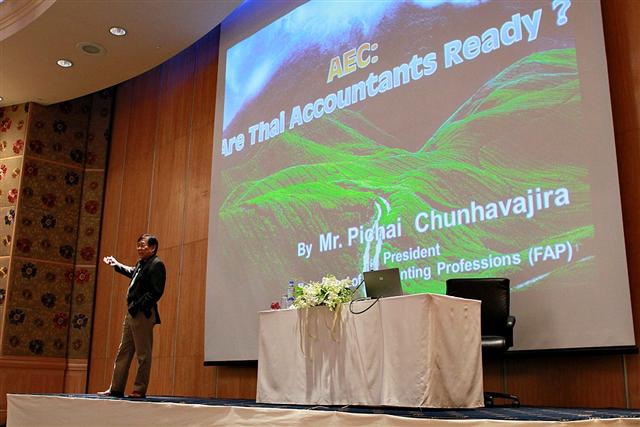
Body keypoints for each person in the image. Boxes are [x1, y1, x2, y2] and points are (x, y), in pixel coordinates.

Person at [97, 233, 166, 398]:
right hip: (132, 313)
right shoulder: (142, 263)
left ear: (153, 247)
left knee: (143, 354)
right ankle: (116, 388)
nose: (140, 248)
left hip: (143, 314)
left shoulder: (157, 264)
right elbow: (133, 273)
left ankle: (139, 389)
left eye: (143, 245)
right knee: (124, 351)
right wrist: (116, 264)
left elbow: (156, 292)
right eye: (138, 245)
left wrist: (138, 306)